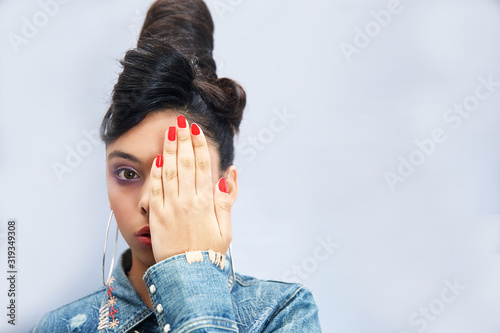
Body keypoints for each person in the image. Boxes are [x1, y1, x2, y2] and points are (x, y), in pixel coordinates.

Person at [31, 0, 321, 332]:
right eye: (127, 174)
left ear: (226, 187)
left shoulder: (282, 313)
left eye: (179, 173)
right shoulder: (60, 326)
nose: (150, 201)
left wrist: (189, 272)